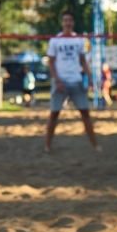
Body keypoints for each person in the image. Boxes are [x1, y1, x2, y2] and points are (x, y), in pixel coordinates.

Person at [44, 11, 101, 153]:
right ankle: (47, 146)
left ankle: (95, 145)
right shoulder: (55, 40)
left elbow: (83, 60)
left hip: (76, 80)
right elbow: (51, 63)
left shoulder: (79, 40)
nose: (67, 23)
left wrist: (90, 78)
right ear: (62, 22)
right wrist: (57, 80)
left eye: (70, 20)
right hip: (61, 81)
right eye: (65, 20)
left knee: (85, 113)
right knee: (54, 114)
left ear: (73, 22)